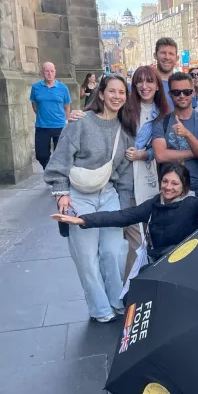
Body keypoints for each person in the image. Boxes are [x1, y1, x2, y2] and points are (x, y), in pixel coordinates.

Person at [44, 74, 135, 323]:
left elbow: (125, 174)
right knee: (86, 259)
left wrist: (123, 210)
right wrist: (61, 194)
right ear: (101, 94)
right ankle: (100, 309)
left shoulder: (125, 131)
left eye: (121, 92)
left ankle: (117, 300)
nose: (117, 96)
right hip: (78, 197)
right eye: (112, 91)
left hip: (109, 195)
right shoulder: (80, 123)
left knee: (114, 251)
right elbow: (60, 159)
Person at [51, 163, 198, 263]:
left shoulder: (192, 205)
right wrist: (82, 220)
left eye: (175, 183)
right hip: (159, 261)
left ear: (184, 187)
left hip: (185, 261)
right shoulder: (153, 204)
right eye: (165, 181)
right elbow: (122, 216)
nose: (168, 187)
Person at [122, 65, 171, 276]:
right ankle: (130, 284)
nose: (144, 86)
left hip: (149, 178)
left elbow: (163, 146)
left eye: (149, 81)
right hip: (124, 179)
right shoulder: (125, 108)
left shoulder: (163, 114)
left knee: (148, 234)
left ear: (158, 86)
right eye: (139, 81)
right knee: (134, 239)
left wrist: (144, 154)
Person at [151, 73, 198, 205]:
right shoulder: (161, 122)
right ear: (170, 94)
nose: (182, 96)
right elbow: (160, 155)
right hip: (170, 192)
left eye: (186, 92)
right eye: (177, 92)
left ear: (193, 92)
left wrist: (186, 134)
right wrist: (194, 152)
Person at [30, 62, 72, 170]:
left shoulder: (63, 88)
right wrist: (43, 115)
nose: (50, 74)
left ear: (55, 72)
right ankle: (48, 169)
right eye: (47, 71)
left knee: (61, 155)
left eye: (52, 71)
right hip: (42, 126)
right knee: (41, 155)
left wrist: (66, 122)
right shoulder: (36, 87)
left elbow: (67, 107)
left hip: (59, 126)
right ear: (42, 72)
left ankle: (57, 174)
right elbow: (34, 106)